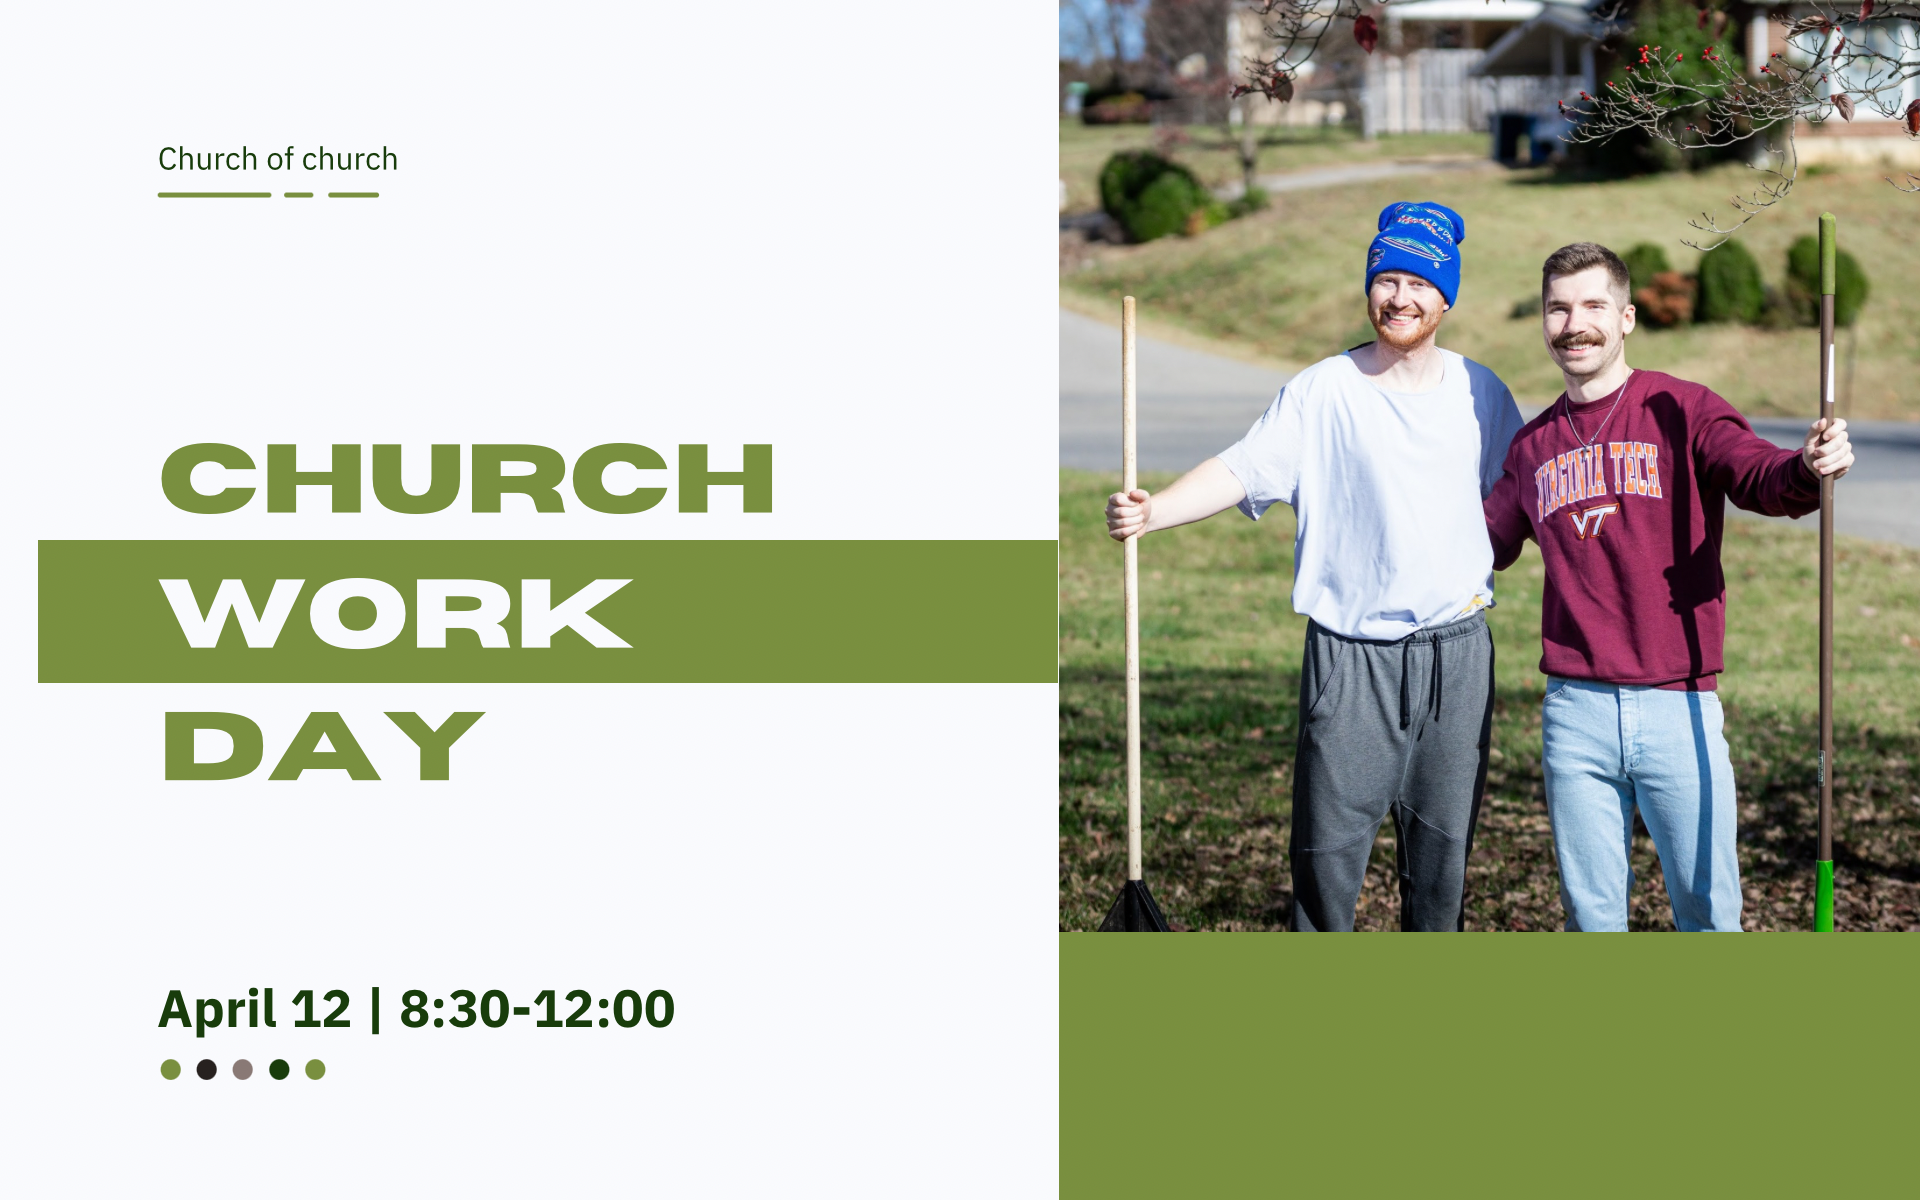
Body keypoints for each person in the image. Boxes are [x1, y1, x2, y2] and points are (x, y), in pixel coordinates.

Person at [1105, 201, 1525, 931]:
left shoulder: (1479, 391)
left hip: (1456, 658)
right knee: (1326, 869)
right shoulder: (1321, 390)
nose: (1400, 297)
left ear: (1446, 297)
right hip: (1349, 659)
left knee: (1443, 869)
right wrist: (1155, 510)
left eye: (1419, 283)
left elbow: (1526, 493)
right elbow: (1242, 469)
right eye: (1387, 280)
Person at [1483, 242, 1854, 932]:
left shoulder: (1680, 409)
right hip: (1576, 711)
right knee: (1593, 923)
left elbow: (1758, 476)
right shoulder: (1532, 450)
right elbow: (1478, 547)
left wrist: (1807, 466)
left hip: (1677, 707)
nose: (1575, 324)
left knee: (1709, 915)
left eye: (1593, 305)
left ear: (1626, 317)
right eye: (1558, 308)